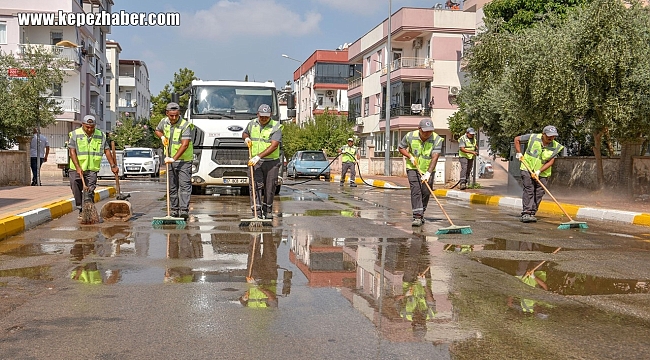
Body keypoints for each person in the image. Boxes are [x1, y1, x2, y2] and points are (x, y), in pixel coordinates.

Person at [68, 115, 118, 220]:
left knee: (90, 190)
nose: (90, 129)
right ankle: (80, 208)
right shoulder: (75, 134)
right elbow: (72, 151)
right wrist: (77, 167)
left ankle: (88, 210)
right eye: (87, 127)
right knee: (75, 187)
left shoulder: (101, 135)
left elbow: (107, 151)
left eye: (92, 127)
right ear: (83, 125)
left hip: (92, 168)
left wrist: (113, 165)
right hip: (76, 168)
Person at [398, 119, 444, 227]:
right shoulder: (410, 136)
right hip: (413, 167)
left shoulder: (437, 139)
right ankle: (417, 216)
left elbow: (435, 157)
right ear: (419, 129)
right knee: (416, 190)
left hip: (428, 168)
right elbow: (401, 147)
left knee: (426, 192)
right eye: (425, 131)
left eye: (430, 131)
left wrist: (428, 173)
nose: (428, 134)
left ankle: (421, 213)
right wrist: (410, 156)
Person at [514, 125, 564, 223]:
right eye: (549, 136)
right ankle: (526, 213)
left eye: (553, 136)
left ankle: (532, 212)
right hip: (527, 168)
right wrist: (519, 152)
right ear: (543, 134)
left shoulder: (555, 146)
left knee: (540, 192)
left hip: (542, 172)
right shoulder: (533, 137)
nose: (551, 138)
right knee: (529, 189)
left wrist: (539, 171)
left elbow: (550, 162)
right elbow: (517, 139)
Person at [242, 104, 283, 220]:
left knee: (270, 187)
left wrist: (258, 156)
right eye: (262, 116)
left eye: (266, 116)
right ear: (257, 115)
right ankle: (256, 212)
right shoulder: (252, 124)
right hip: (256, 162)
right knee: (255, 186)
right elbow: (245, 133)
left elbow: (274, 145)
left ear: (270, 115)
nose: (264, 119)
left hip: (271, 163)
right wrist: (246, 138)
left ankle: (267, 210)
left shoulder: (276, 127)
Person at [155, 102, 194, 220]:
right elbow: (157, 130)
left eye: (176, 115)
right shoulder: (164, 122)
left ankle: (184, 210)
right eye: (171, 115)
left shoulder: (185, 125)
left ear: (179, 114)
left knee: (184, 186)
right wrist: (161, 136)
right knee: (171, 187)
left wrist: (173, 158)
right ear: (167, 113)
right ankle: (174, 210)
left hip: (184, 161)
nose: (173, 118)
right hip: (169, 160)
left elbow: (185, 144)